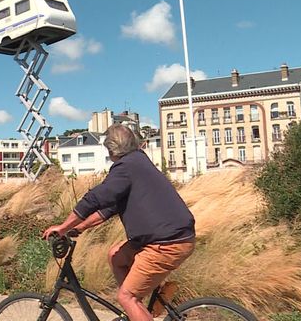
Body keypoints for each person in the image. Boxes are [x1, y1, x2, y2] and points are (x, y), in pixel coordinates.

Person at [42, 124, 195, 321]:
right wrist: (79, 227)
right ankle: (137, 311)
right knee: (115, 255)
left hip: (165, 244)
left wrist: (63, 227)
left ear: (112, 150)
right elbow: (109, 207)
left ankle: (133, 302)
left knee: (126, 296)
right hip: (170, 237)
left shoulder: (126, 167)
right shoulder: (139, 161)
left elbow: (95, 198)